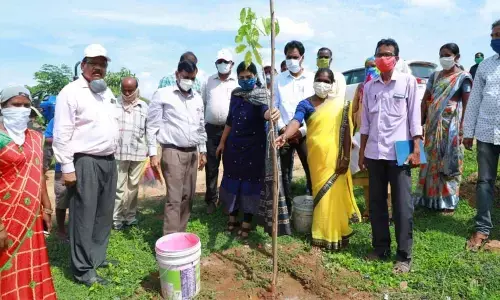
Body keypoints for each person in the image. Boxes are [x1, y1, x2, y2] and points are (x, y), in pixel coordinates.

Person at [53, 44, 119, 286]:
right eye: (93, 63)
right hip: (85, 162)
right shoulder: (71, 92)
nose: (98, 68)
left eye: (103, 64)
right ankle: (82, 270)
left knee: (103, 214)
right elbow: (62, 133)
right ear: (83, 65)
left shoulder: (106, 92)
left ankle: (97, 257)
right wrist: (67, 168)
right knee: (83, 216)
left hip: (108, 161)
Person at [275, 68, 360, 249]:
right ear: (313, 81)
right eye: (319, 80)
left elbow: (346, 133)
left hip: (335, 158)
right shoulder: (304, 104)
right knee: (320, 194)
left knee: (333, 195)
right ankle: (324, 232)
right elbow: (296, 122)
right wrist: (285, 136)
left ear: (332, 85)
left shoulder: (340, 106)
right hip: (316, 158)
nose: (323, 84)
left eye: (326, 81)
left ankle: (331, 233)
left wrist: (345, 158)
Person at [358, 38, 422, 274]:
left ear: (396, 58)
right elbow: (365, 123)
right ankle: (380, 247)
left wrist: (417, 150)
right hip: (374, 150)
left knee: (402, 204)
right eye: (379, 54)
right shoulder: (370, 87)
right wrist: (363, 151)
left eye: (388, 54)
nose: (383, 58)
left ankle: (404, 256)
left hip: (401, 151)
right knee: (376, 203)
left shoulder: (407, 82)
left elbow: (415, 118)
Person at [0, 86, 56, 299]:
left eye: (25, 105)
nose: (21, 110)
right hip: (6, 216)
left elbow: (38, 173)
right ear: (3, 107)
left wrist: (46, 206)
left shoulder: (35, 137)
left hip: (30, 215)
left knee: (30, 262)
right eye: (15, 105)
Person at [217, 62, 280, 240]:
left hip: (253, 150)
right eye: (242, 77)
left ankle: (247, 221)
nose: (245, 80)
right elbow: (230, 120)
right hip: (233, 148)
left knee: (249, 184)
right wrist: (222, 142)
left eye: (249, 77)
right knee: (232, 181)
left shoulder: (261, 94)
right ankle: (232, 216)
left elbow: (265, 112)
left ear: (255, 77)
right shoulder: (236, 94)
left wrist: (272, 114)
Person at [147, 60, 207, 235]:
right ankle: (170, 240)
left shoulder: (196, 97)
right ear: (177, 75)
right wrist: (152, 154)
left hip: (192, 152)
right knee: (174, 198)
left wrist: (202, 150)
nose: (189, 81)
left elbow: (200, 126)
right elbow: (152, 126)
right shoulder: (163, 95)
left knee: (188, 197)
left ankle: (181, 233)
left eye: (192, 78)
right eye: (186, 77)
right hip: (172, 151)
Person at [416, 43, 472, 215]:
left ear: (457, 57)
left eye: (447, 55)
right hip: (433, 126)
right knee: (431, 160)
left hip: (451, 126)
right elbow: (426, 99)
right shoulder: (435, 76)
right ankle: (428, 198)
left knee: (449, 160)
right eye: (441, 55)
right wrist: (419, 124)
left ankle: (448, 201)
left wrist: (464, 129)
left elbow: (468, 105)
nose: (443, 58)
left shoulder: (463, 77)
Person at [463, 20, 500, 251]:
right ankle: (482, 229)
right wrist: (469, 132)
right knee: (485, 182)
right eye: (494, 34)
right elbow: (475, 101)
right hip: (486, 132)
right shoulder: (486, 66)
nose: (495, 38)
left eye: (499, 34)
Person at [351, 57, 393, 221]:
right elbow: (354, 110)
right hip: (364, 135)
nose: (371, 70)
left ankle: (389, 210)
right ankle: (369, 209)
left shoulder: (386, 87)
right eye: (368, 67)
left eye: (374, 67)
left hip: (384, 137)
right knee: (367, 176)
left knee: (388, 176)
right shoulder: (361, 88)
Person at [275, 40, 314, 213]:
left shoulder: (312, 78)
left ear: (302, 58)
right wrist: (283, 128)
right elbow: (274, 106)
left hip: (306, 133)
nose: (291, 60)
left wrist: (300, 130)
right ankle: (286, 208)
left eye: (295, 57)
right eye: (288, 57)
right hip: (283, 133)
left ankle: (314, 205)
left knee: (311, 169)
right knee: (283, 173)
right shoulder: (279, 79)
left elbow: (315, 108)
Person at [202, 49, 238, 214]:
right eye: (220, 62)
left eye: (226, 62)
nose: (222, 65)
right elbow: (203, 103)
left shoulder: (236, 83)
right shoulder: (208, 81)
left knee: (230, 165)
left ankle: (228, 199)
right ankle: (211, 200)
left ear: (232, 64)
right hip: (211, 130)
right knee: (212, 166)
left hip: (231, 131)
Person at [113, 77, 150, 230]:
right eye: (124, 90)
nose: (127, 93)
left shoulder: (144, 107)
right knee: (118, 187)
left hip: (138, 152)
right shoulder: (114, 105)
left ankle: (130, 217)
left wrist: (152, 151)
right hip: (118, 153)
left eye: (130, 90)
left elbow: (150, 130)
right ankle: (116, 219)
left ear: (136, 89)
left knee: (133, 186)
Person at [45, 118, 68, 241]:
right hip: (62, 167)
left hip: (84, 167)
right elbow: (47, 138)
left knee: (80, 200)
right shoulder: (57, 119)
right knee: (62, 199)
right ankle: (61, 229)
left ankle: (77, 228)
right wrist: (63, 140)